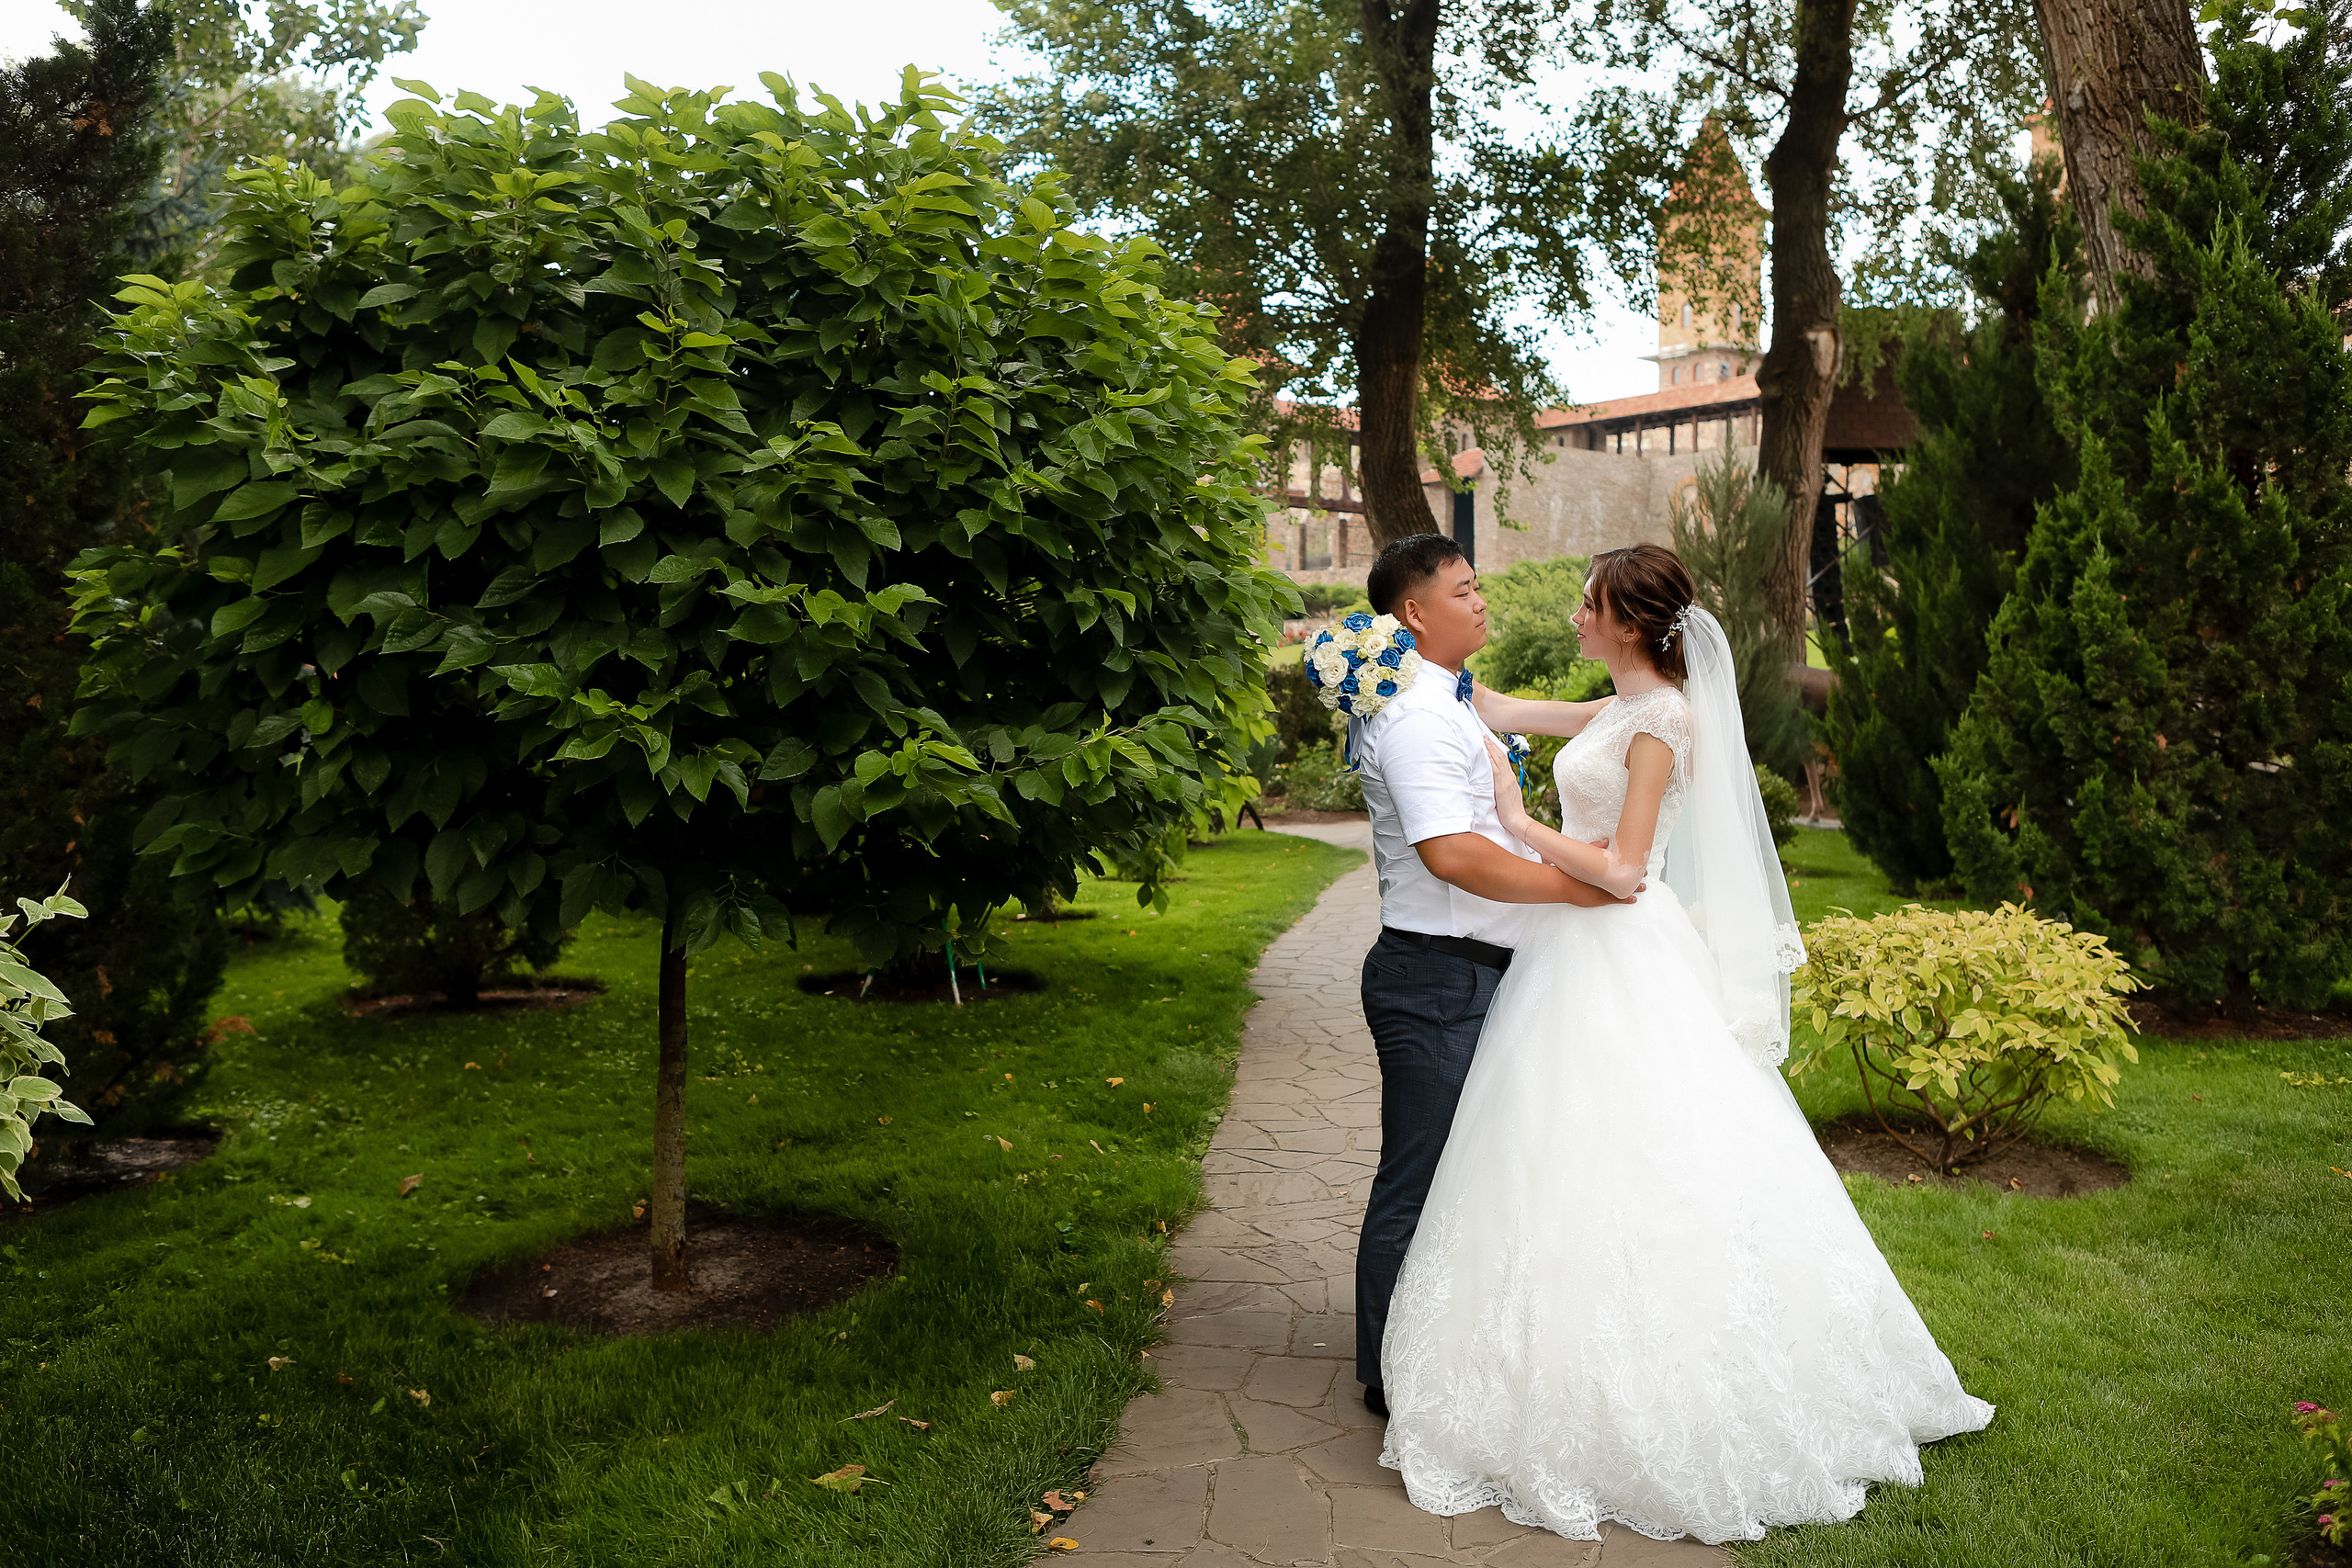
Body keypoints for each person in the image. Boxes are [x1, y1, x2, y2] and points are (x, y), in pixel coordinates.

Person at [1375, 543, 1994, 1545]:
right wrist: (1391, 664)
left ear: (1627, 622)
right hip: (1570, 956)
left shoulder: (1662, 718)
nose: (1575, 614)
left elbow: (1623, 869)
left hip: (1614, 944)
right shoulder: (1614, 707)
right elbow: (1503, 710)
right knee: (1553, 1152)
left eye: (1587, 604)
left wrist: (1518, 820)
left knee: (1644, 1149)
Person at [1346, 534, 1636, 1421]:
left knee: (1478, 1174)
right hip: (1437, 980)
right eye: (1463, 589)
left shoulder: (1451, 694)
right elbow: (1454, 854)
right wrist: (1577, 886)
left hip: (1479, 974)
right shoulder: (1415, 717)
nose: (1481, 600)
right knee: (1421, 1178)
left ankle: (1444, 1346)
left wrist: (1645, 709)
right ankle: (1388, 1378)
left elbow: (1523, 711)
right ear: (1414, 612)